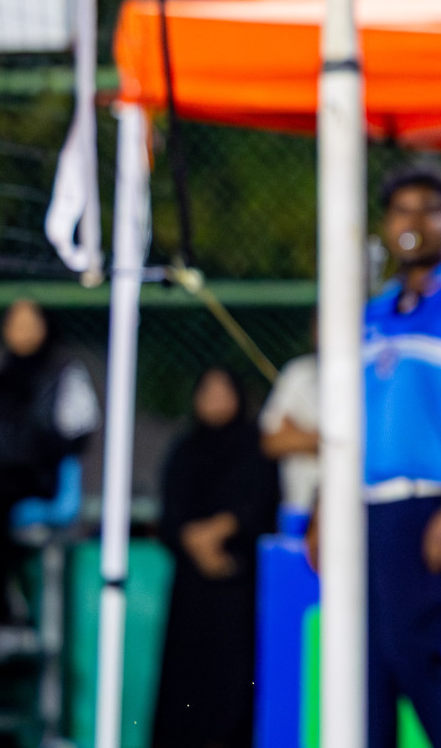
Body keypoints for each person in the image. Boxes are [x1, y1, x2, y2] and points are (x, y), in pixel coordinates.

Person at [337, 161, 441, 748]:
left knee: (421, 659)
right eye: (402, 209)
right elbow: (352, 419)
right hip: (368, 511)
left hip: (428, 509)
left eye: (430, 207)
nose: (414, 221)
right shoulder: (374, 312)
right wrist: (331, 501)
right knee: (366, 668)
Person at [153, 366, 279, 748]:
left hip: (238, 582)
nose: (215, 399)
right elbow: (170, 514)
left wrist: (222, 530)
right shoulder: (185, 449)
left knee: (235, 678)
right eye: (207, 391)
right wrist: (194, 541)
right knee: (185, 682)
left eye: (224, 390)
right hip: (191, 587)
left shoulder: (254, 447)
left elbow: (259, 503)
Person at [0, 298, 99, 625]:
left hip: (39, 478)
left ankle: (2, 608)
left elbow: (76, 431)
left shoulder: (64, 373)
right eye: (14, 323)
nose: (21, 331)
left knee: (4, 501)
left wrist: (27, 449)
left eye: (29, 322)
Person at [260, 312, 320, 523]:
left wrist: (299, 433)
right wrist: (323, 440)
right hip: (299, 508)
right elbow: (273, 442)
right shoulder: (298, 373)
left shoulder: (370, 370)